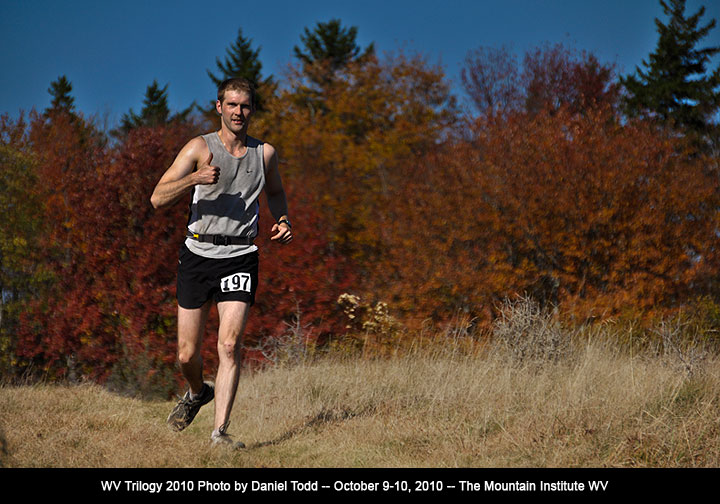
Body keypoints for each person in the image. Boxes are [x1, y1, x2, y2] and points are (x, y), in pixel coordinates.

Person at [150, 77, 292, 448]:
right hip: (197, 254)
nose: (238, 112)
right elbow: (157, 198)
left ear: (252, 110)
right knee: (186, 355)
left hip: (240, 256)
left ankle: (219, 434)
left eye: (244, 106)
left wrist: (283, 220)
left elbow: (276, 192)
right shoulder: (199, 147)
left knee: (229, 346)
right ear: (219, 107)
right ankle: (198, 391)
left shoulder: (264, 154)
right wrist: (194, 178)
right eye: (232, 104)